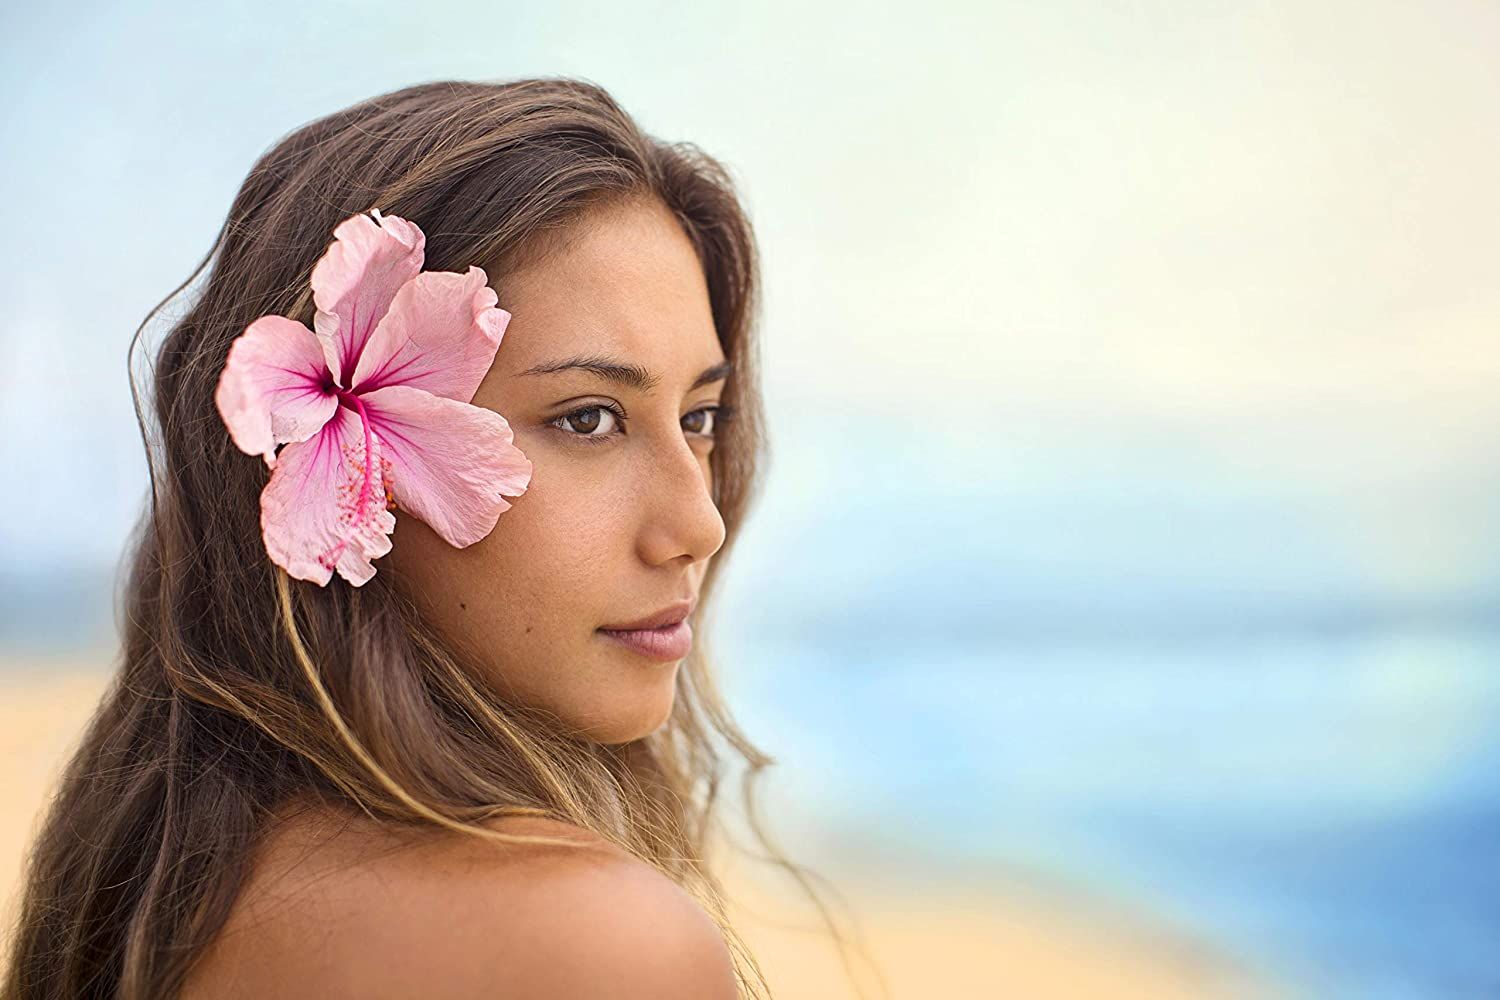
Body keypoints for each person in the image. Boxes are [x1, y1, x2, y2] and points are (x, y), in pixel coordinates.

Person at [2, 77, 856, 1000]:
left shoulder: (169, 873)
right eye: (587, 419)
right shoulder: (599, 943)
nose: (699, 524)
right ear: (328, 467)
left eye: (701, 415)